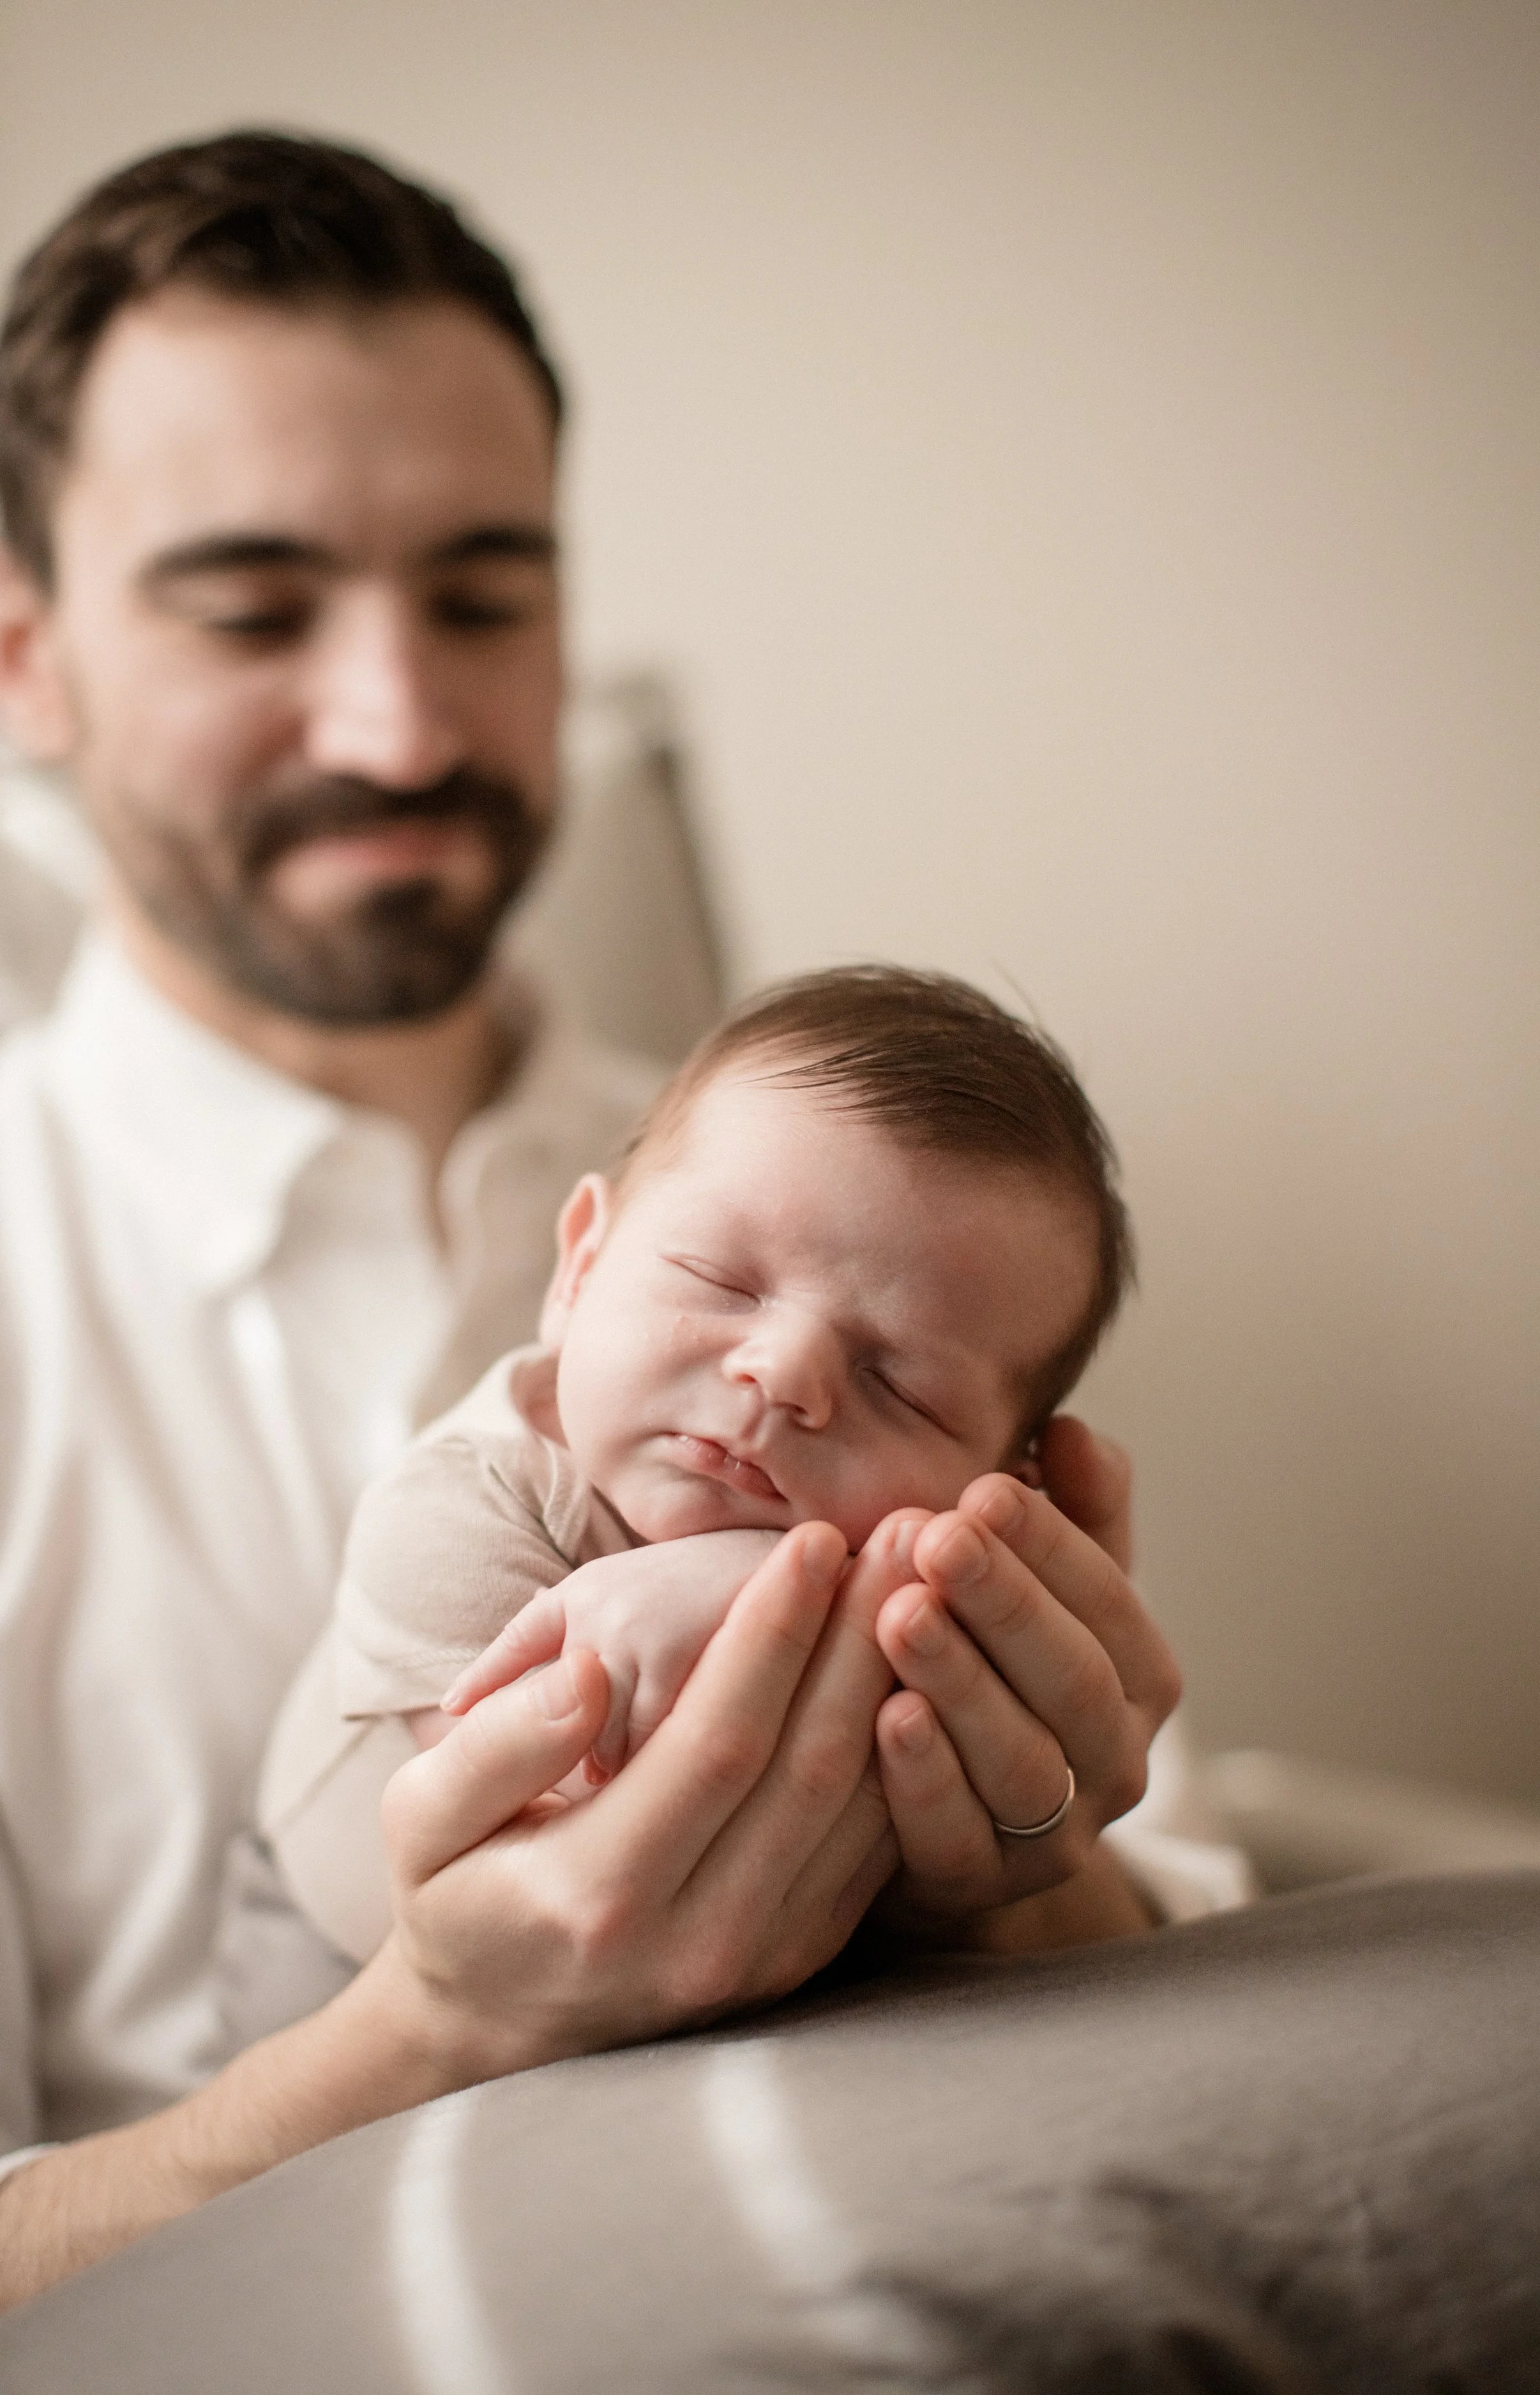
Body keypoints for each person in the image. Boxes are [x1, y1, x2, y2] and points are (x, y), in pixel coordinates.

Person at [0, 130, 1184, 2308]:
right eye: (256, 607)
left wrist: (1030, 1895)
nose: (400, 719)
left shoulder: (853, 1223)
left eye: (482, 594)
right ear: (26, 662)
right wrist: (423, 2035)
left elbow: (1183, 1920)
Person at [252, 964, 1136, 1971]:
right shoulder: (458, 1502)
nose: (783, 1371)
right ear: (579, 1266)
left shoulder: (955, 1601)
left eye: (904, 1386)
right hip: (334, 1957)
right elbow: (588, 1851)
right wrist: (761, 1591)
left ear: (1007, 1486)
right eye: (721, 1281)